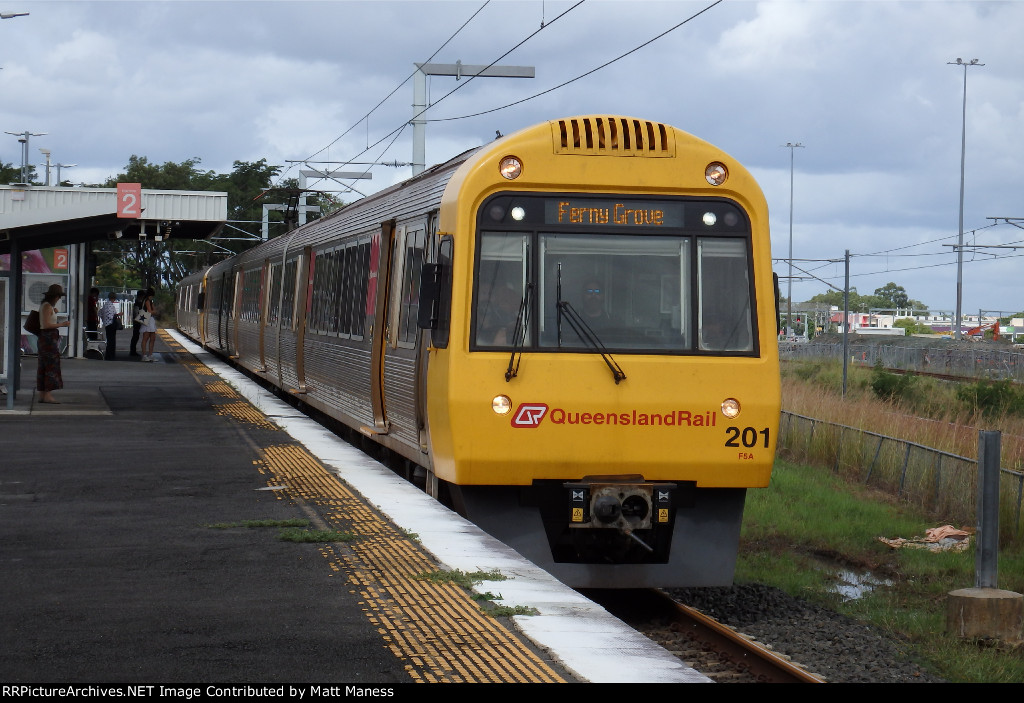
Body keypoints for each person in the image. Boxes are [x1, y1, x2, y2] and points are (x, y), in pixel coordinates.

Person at [37, 283, 70, 404]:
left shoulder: (46, 306)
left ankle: (43, 394)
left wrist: (54, 312)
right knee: (51, 366)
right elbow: (46, 325)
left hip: (45, 340)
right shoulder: (46, 307)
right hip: (48, 340)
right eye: (58, 296)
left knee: (44, 366)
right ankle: (47, 395)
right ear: (54, 296)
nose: (59, 299)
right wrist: (62, 324)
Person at [99, 292, 121, 360]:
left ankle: (108, 355)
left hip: (107, 324)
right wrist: (118, 315)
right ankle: (111, 356)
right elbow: (111, 316)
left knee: (109, 340)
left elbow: (100, 313)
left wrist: (103, 320)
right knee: (112, 341)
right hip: (111, 324)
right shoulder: (111, 305)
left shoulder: (105, 305)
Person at [139, 289, 158, 362]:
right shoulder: (147, 301)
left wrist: (154, 311)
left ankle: (150, 355)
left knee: (152, 338)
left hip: (150, 320)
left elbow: (152, 310)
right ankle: (144, 355)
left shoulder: (149, 301)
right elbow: (150, 311)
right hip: (148, 320)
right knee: (146, 338)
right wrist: (154, 311)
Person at [129, 289, 145, 357]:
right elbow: (136, 313)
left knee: (135, 336)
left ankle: (133, 350)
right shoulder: (138, 303)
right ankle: (133, 351)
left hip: (136, 321)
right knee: (135, 336)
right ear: (141, 296)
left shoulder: (138, 302)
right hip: (137, 322)